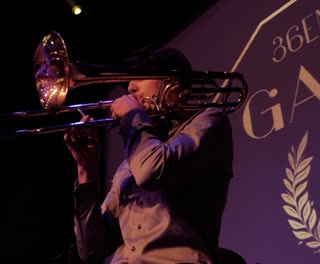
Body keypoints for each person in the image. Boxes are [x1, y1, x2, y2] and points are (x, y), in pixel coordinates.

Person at [64, 46, 234, 264]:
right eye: (128, 82)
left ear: (171, 80)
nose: (130, 88)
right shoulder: (130, 163)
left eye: (139, 78)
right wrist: (86, 171)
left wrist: (134, 116)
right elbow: (90, 250)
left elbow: (151, 171)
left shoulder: (210, 122)